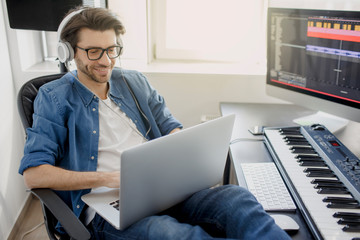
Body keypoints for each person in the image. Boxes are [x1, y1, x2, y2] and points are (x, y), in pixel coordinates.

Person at [18, 7, 291, 240]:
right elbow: (34, 174)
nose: (106, 61)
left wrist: (183, 157)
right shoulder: (54, 98)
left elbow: (171, 126)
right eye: (93, 52)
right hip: (106, 208)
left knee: (237, 199)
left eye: (112, 49)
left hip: (161, 189)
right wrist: (111, 179)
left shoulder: (134, 81)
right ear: (68, 52)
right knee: (169, 233)